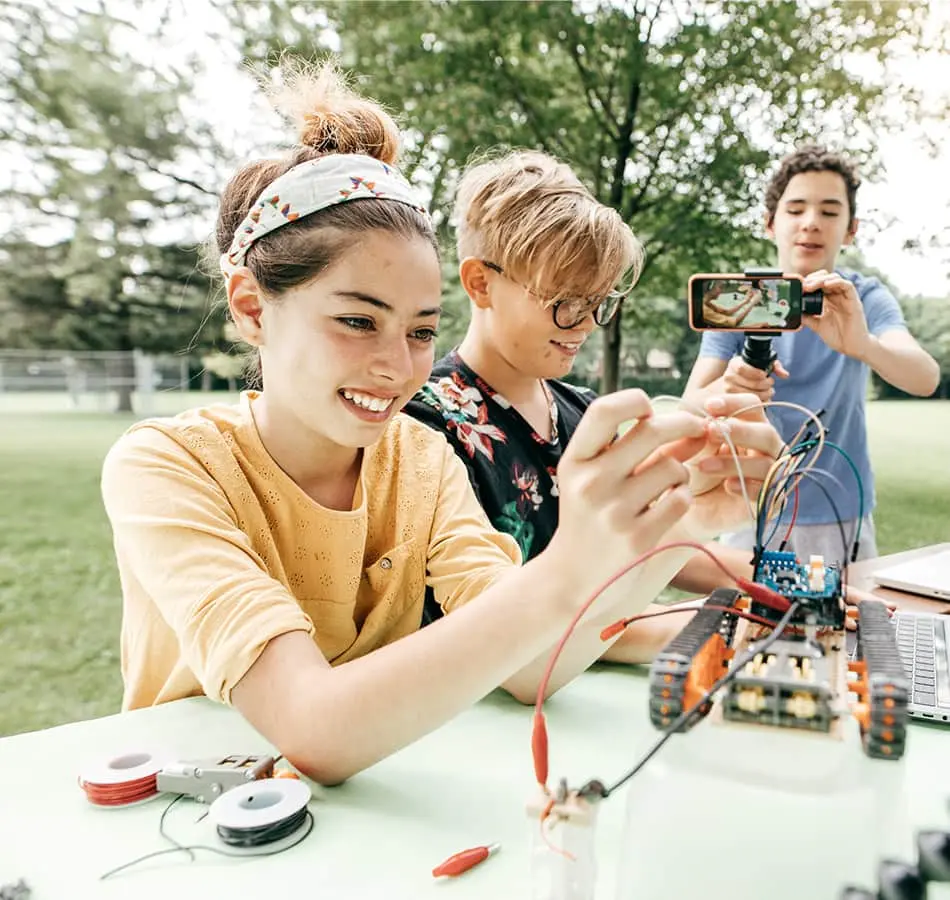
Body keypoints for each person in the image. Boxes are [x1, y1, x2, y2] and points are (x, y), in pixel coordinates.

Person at [100, 62, 781, 785]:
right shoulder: (167, 465)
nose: (397, 366)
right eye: (358, 320)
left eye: (422, 332)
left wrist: (670, 530)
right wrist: (571, 565)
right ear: (250, 306)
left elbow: (532, 666)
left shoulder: (420, 457)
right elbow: (313, 728)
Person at [403, 150, 786, 663]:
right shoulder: (423, 426)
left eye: (597, 302)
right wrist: (727, 628)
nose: (584, 325)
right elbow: (509, 631)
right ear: (480, 283)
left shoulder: (579, 410)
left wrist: (787, 591)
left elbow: (642, 555)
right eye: (564, 302)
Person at [683, 144, 940, 563]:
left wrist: (863, 345)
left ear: (851, 229)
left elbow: (925, 377)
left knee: (846, 624)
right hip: (751, 504)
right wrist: (727, 386)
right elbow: (689, 405)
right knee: (749, 625)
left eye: (830, 211)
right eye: (796, 208)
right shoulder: (740, 298)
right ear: (770, 223)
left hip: (840, 511)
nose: (811, 223)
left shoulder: (865, 297)